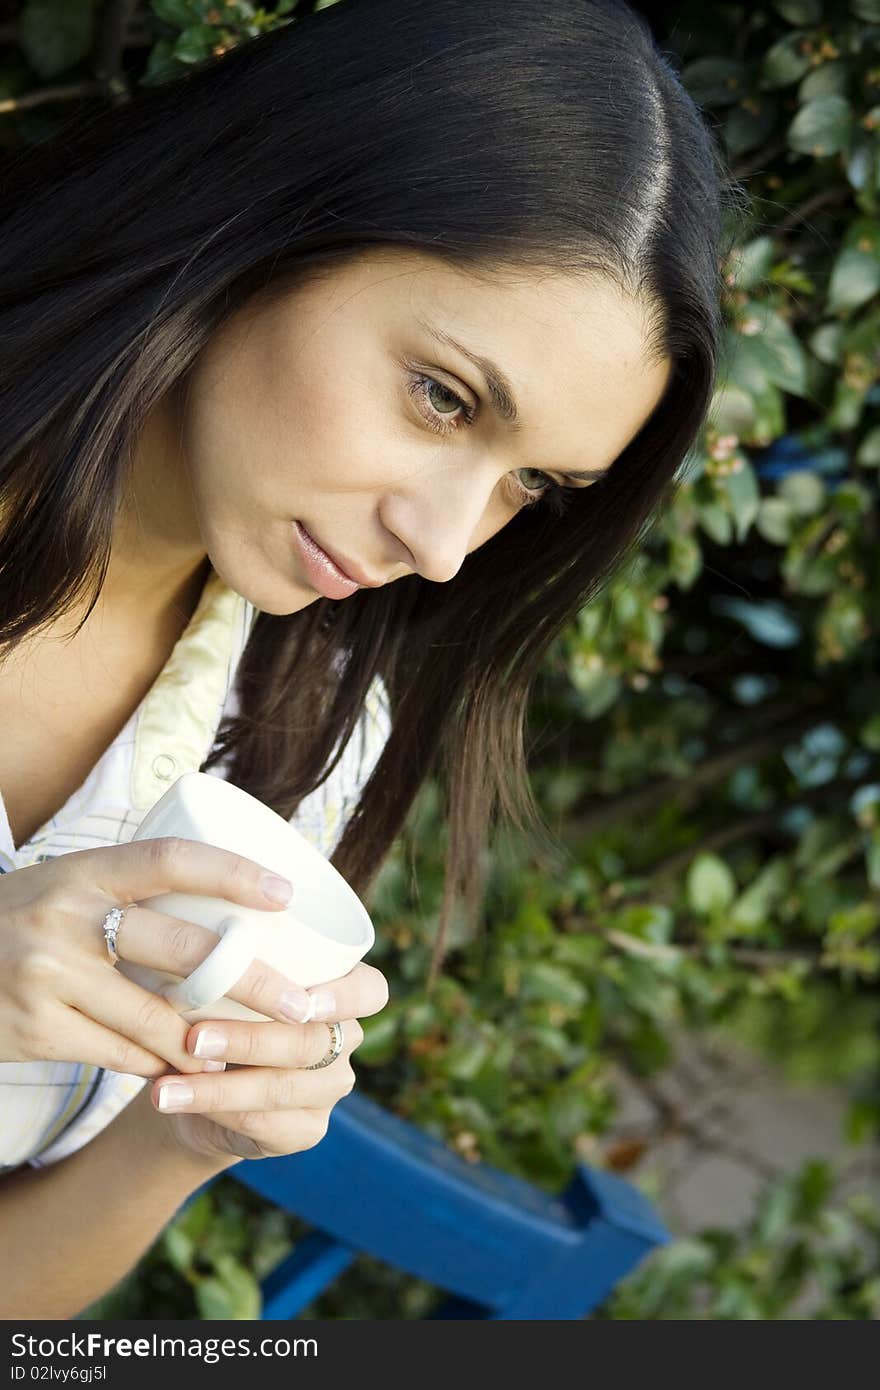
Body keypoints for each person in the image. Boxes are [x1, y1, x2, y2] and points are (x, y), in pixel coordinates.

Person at [0, 0, 737, 1318]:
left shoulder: (305, 733)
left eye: (530, 486)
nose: (446, 545)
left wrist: (186, 1135)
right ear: (273, 218)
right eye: (445, 395)